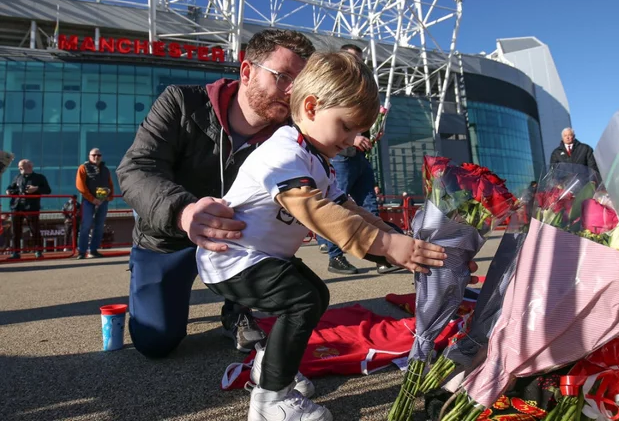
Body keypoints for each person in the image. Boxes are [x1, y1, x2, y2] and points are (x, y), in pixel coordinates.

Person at [196, 51, 448, 421]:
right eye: (346, 127)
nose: (352, 139)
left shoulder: (315, 158)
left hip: (257, 256)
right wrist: (392, 247)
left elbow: (350, 210)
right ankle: (270, 400)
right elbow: (318, 212)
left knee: (314, 294)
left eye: (358, 130)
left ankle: (272, 365)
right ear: (312, 107)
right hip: (233, 259)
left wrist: (402, 245)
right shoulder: (284, 152)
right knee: (301, 300)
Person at [116, 29, 315, 359]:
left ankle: (236, 309)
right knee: (155, 342)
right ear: (247, 71)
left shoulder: (289, 135)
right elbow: (137, 169)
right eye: (283, 77)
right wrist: (184, 212)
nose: (292, 91)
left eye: (300, 82)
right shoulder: (180, 102)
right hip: (168, 236)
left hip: (239, 242)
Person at [315, 43, 401, 275]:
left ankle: (382, 256)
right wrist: (352, 139)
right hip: (341, 158)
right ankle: (335, 257)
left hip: (360, 158)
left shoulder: (360, 90)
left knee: (370, 206)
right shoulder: (332, 87)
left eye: (361, 60)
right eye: (353, 58)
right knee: (335, 207)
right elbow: (323, 119)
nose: (358, 64)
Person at [5, 159, 52, 259]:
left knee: (34, 229)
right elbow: (10, 187)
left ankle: (38, 251)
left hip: (31, 207)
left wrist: (36, 189)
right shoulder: (17, 177)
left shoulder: (39, 177)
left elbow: (48, 190)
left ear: (29, 166)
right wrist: (9, 191)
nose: (19, 168)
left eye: (21, 166)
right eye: (19, 166)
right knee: (15, 230)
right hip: (17, 207)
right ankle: (15, 252)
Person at [75, 148, 114, 259]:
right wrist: (92, 199)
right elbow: (80, 186)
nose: (96, 157)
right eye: (94, 155)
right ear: (89, 156)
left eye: (99, 155)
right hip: (88, 201)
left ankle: (93, 250)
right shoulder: (83, 168)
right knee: (86, 225)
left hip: (103, 201)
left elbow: (110, 184)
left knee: (99, 226)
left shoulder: (105, 169)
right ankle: (82, 251)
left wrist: (109, 197)